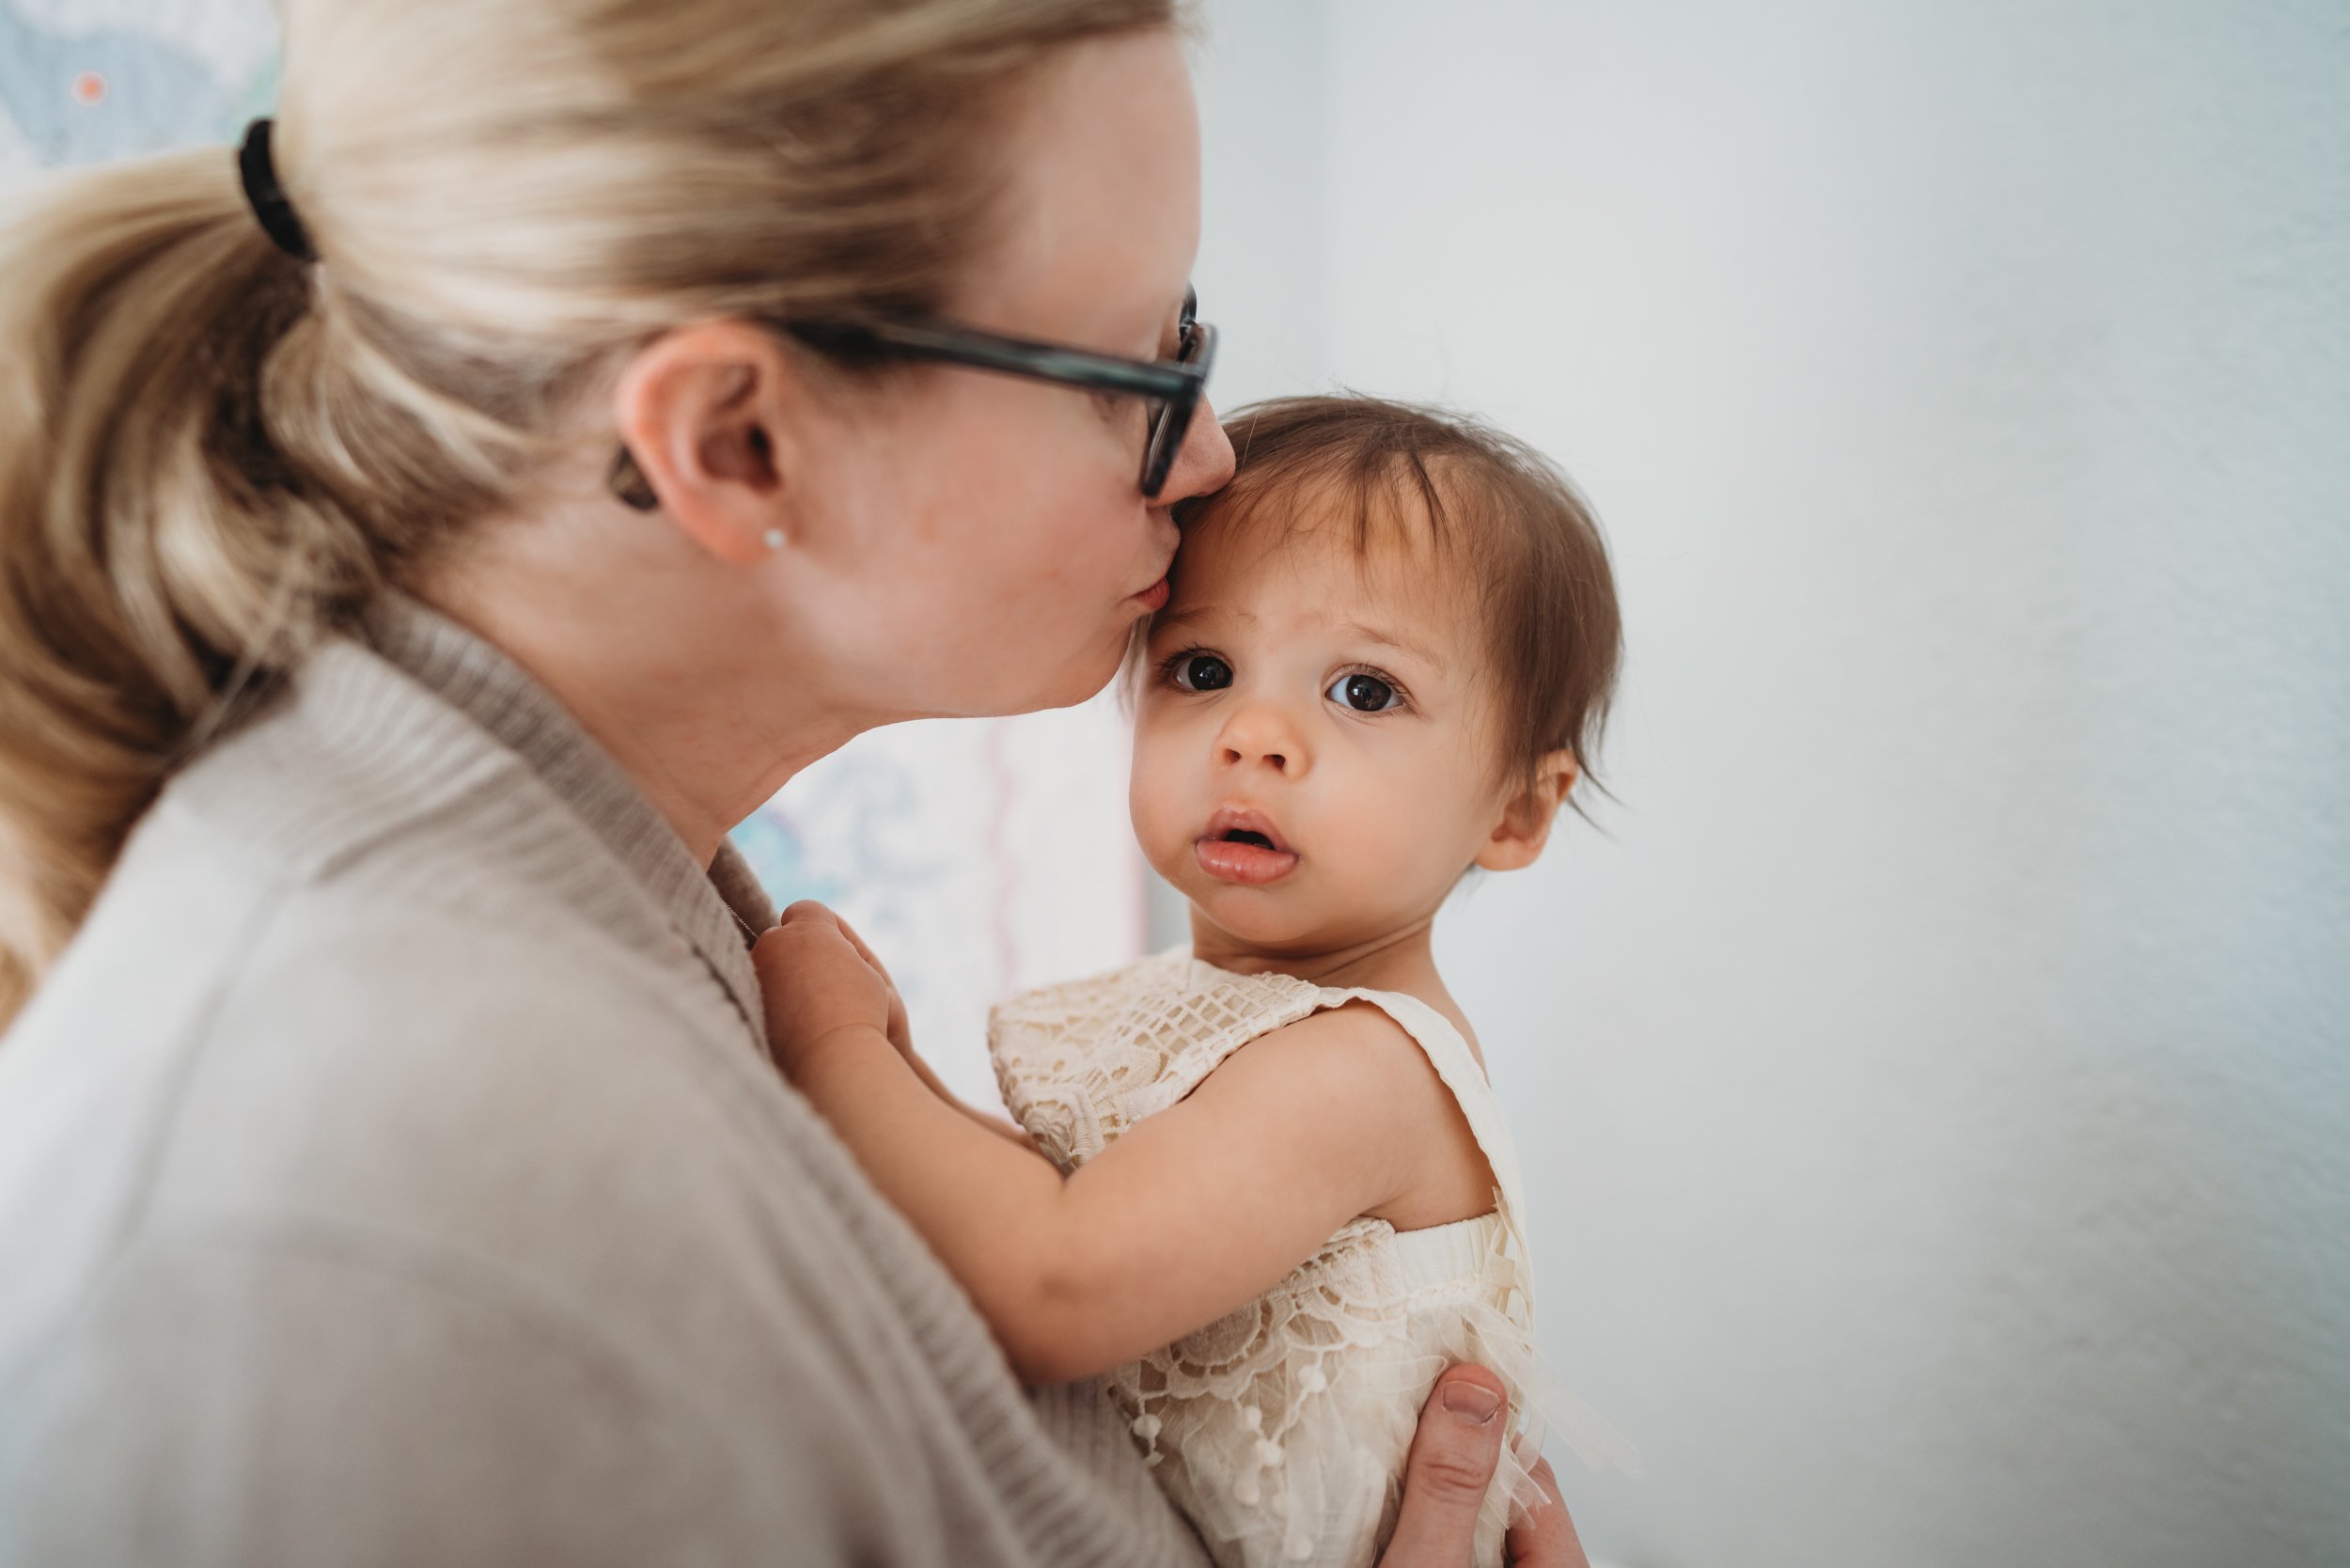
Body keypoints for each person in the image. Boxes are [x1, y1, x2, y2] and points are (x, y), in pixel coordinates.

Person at [0, 1, 1592, 1563]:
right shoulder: (367, 1238)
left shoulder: (623, 897)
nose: (1208, 465)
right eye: (1140, 363)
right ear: (738, 442)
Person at [756, 395, 1630, 1568]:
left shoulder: (1359, 1067)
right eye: (1203, 668)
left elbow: (1053, 1284)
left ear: (1518, 809)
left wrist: (832, 1048)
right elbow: (1076, 1199)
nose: (1252, 734)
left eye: (1364, 690)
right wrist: (907, 1068)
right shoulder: (1222, 1014)